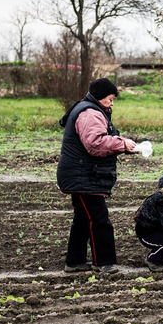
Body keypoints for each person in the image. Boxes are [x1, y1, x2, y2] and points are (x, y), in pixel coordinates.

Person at [57, 78, 136, 274]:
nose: (112, 103)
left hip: (84, 174)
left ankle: (74, 262)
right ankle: (104, 262)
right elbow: (95, 144)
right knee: (99, 219)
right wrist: (122, 144)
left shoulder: (89, 109)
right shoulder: (90, 113)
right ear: (100, 97)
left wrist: (124, 147)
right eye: (110, 99)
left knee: (83, 219)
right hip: (85, 176)